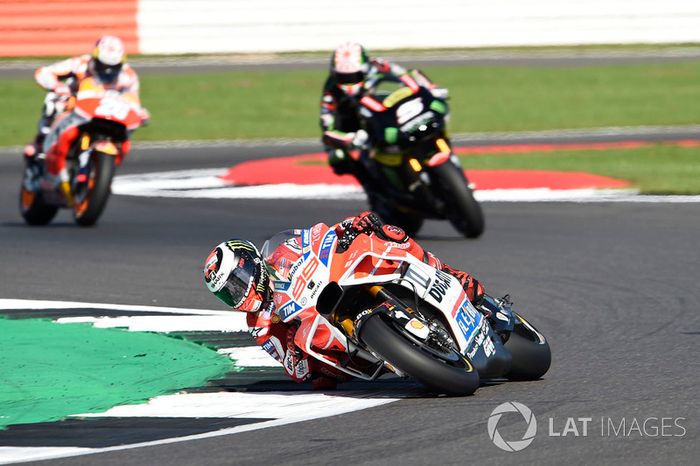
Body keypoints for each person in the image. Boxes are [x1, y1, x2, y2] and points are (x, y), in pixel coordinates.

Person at [203, 211, 508, 390]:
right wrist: (297, 356)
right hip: (329, 335)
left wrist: (350, 227)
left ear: (250, 262)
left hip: (335, 281)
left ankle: (453, 277)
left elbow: (319, 236)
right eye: (227, 292)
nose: (238, 292)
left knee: (389, 233)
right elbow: (293, 368)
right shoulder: (260, 325)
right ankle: (396, 354)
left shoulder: (280, 253)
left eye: (237, 281)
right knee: (320, 379)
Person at [23, 35, 148, 187]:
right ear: (95, 58)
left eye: (113, 68)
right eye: (103, 66)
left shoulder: (128, 76)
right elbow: (44, 72)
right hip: (76, 107)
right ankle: (41, 145)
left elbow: (133, 99)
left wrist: (139, 113)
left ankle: (101, 171)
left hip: (108, 114)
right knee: (54, 102)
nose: (108, 72)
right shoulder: (80, 64)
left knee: (126, 136)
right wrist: (58, 87)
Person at [319, 41, 445, 181]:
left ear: (365, 69)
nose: (348, 83)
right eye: (343, 78)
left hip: (379, 108)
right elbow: (326, 125)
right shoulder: (330, 91)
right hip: (351, 124)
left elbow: (407, 74)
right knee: (337, 159)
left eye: (354, 77)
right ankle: (373, 186)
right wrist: (348, 139)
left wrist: (430, 87)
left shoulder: (378, 65)